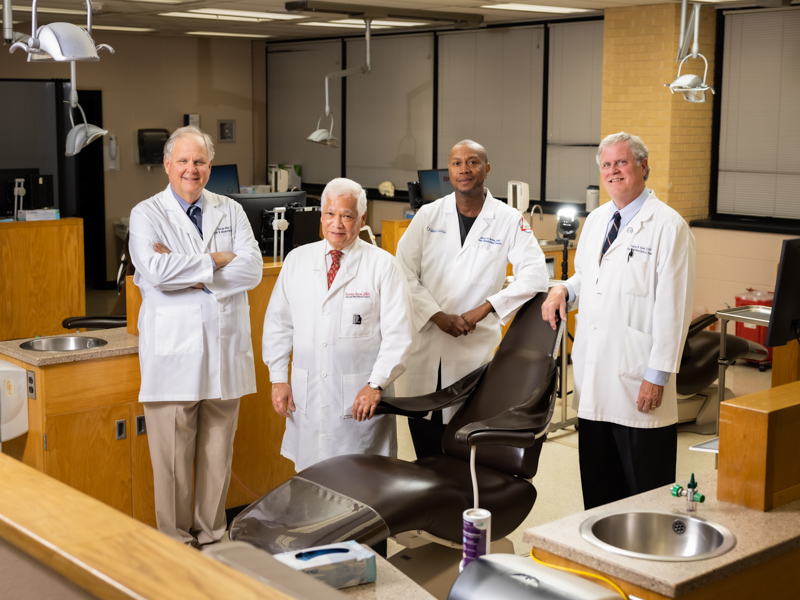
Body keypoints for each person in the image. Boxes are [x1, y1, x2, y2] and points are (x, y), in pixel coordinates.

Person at [541, 131, 696, 510]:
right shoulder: (596, 220)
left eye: (621, 162)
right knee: (599, 491)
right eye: (606, 165)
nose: (613, 171)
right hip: (594, 379)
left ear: (643, 166)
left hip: (638, 381)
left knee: (645, 496)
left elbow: (674, 308)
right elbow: (588, 276)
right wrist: (565, 289)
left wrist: (656, 376)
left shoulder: (668, 226)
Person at [128, 126, 263, 546]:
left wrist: (190, 271)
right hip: (174, 354)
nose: (192, 169)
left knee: (217, 454)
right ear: (167, 165)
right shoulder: (146, 213)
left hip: (224, 350)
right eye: (183, 161)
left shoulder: (231, 210)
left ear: (210, 166)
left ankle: (212, 536)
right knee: (171, 460)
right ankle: (174, 542)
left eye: (200, 161)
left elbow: (252, 270)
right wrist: (217, 262)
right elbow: (155, 271)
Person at [395, 140, 549, 459]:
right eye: (456, 163)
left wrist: (487, 307)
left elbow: (535, 275)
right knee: (424, 441)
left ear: (487, 169)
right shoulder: (428, 215)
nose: (464, 169)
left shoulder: (508, 219)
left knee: (464, 443)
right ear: (448, 173)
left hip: (473, 347)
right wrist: (436, 315)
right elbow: (402, 271)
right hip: (426, 340)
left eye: (473, 162)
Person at [263, 177, 413, 473]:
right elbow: (279, 324)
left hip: (360, 400)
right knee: (311, 484)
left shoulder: (383, 266)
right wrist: (278, 377)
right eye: (330, 214)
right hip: (308, 399)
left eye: (347, 215)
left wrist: (376, 384)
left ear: (362, 219)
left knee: (362, 485)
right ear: (321, 215)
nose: (337, 224)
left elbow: (400, 336)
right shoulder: (297, 260)